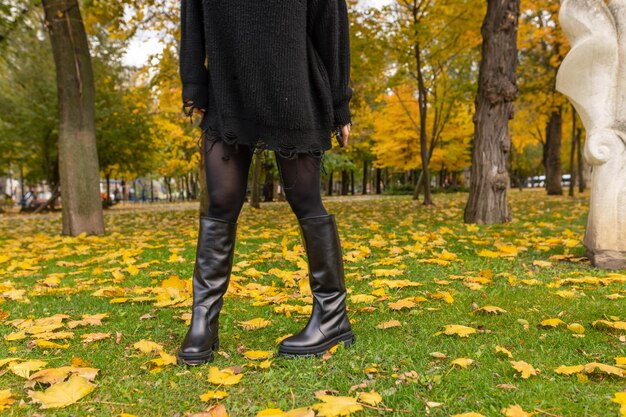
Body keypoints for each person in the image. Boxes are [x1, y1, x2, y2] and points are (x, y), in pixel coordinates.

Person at [176, 0, 355, 365]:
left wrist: (339, 104)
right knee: (222, 200)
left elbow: (331, 23)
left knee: (305, 198)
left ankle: (333, 314)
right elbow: (192, 16)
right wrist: (194, 83)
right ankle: (203, 321)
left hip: (294, 85)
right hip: (228, 85)